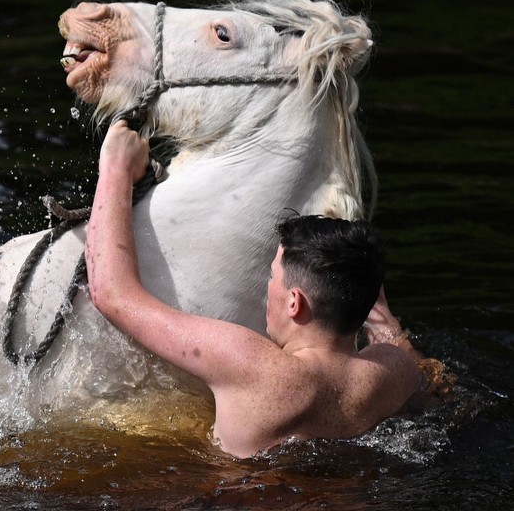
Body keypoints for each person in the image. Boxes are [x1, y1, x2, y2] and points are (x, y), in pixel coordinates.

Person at [85, 120, 423, 458]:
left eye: (272, 275)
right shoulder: (394, 373)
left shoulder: (250, 364)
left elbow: (112, 294)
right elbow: (406, 355)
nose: (268, 286)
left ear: (295, 302)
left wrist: (115, 168)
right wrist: (370, 302)